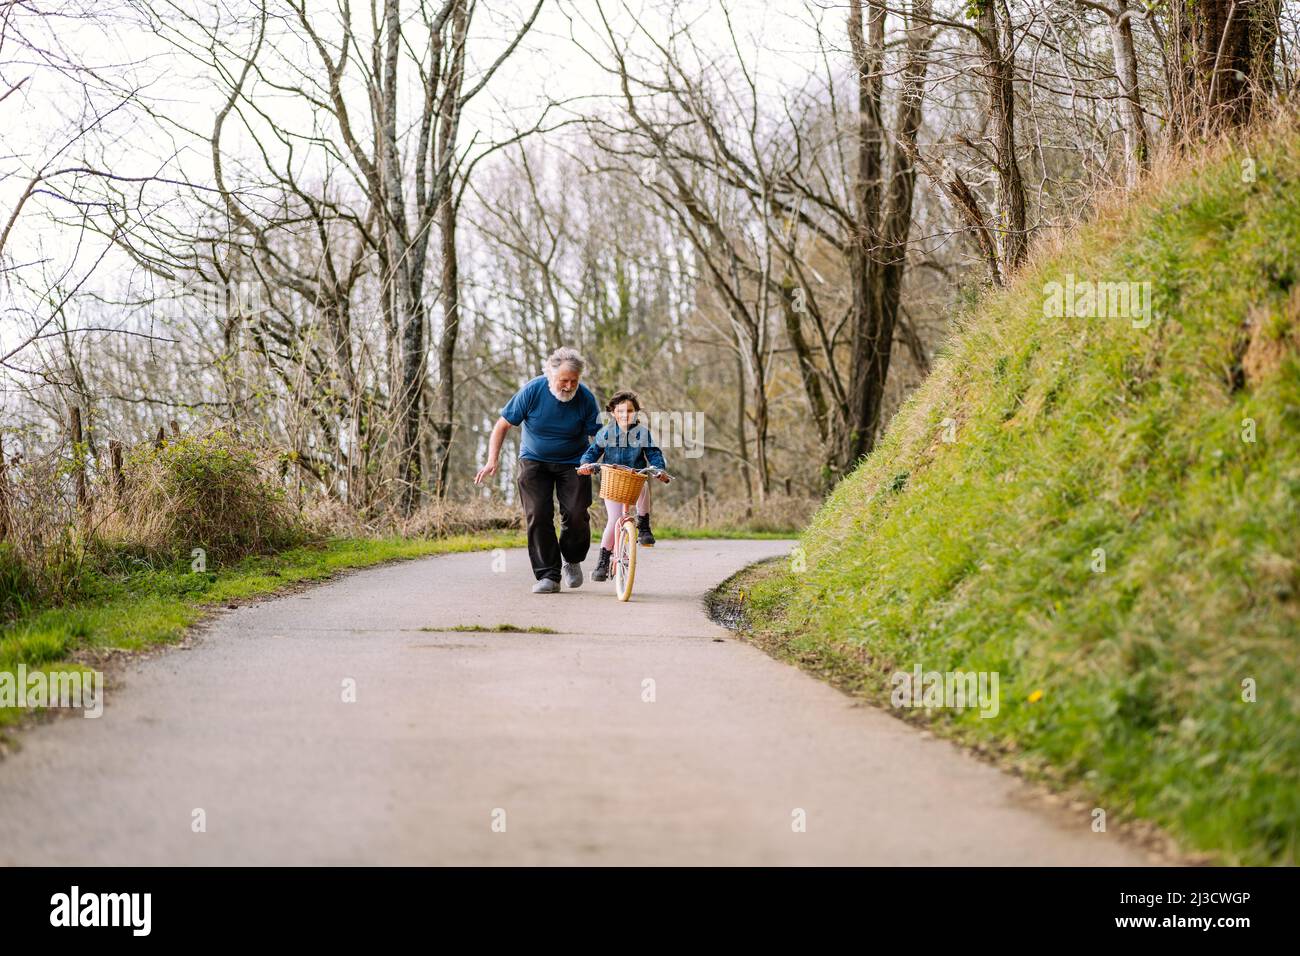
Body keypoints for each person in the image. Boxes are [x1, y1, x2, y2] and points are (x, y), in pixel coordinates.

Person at [474, 347, 601, 594]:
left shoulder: (585, 398)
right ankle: (548, 575)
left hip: (575, 462)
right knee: (538, 515)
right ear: (550, 375)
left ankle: (572, 559)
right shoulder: (532, 390)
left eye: (574, 381)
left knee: (576, 514)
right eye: (563, 380)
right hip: (534, 460)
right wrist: (492, 460)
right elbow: (502, 425)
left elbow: (599, 437)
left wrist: (597, 461)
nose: (568, 386)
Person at [577, 389, 669, 582]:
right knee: (614, 519)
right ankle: (603, 560)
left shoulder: (642, 433)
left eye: (629, 411)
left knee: (643, 486)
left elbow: (653, 453)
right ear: (612, 413)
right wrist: (586, 464)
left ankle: (644, 525)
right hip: (613, 480)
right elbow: (593, 451)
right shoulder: (606, 432)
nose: (624, 415)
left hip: (634, 477)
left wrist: (659, 469)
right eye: (620, 411)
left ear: (636, 413)